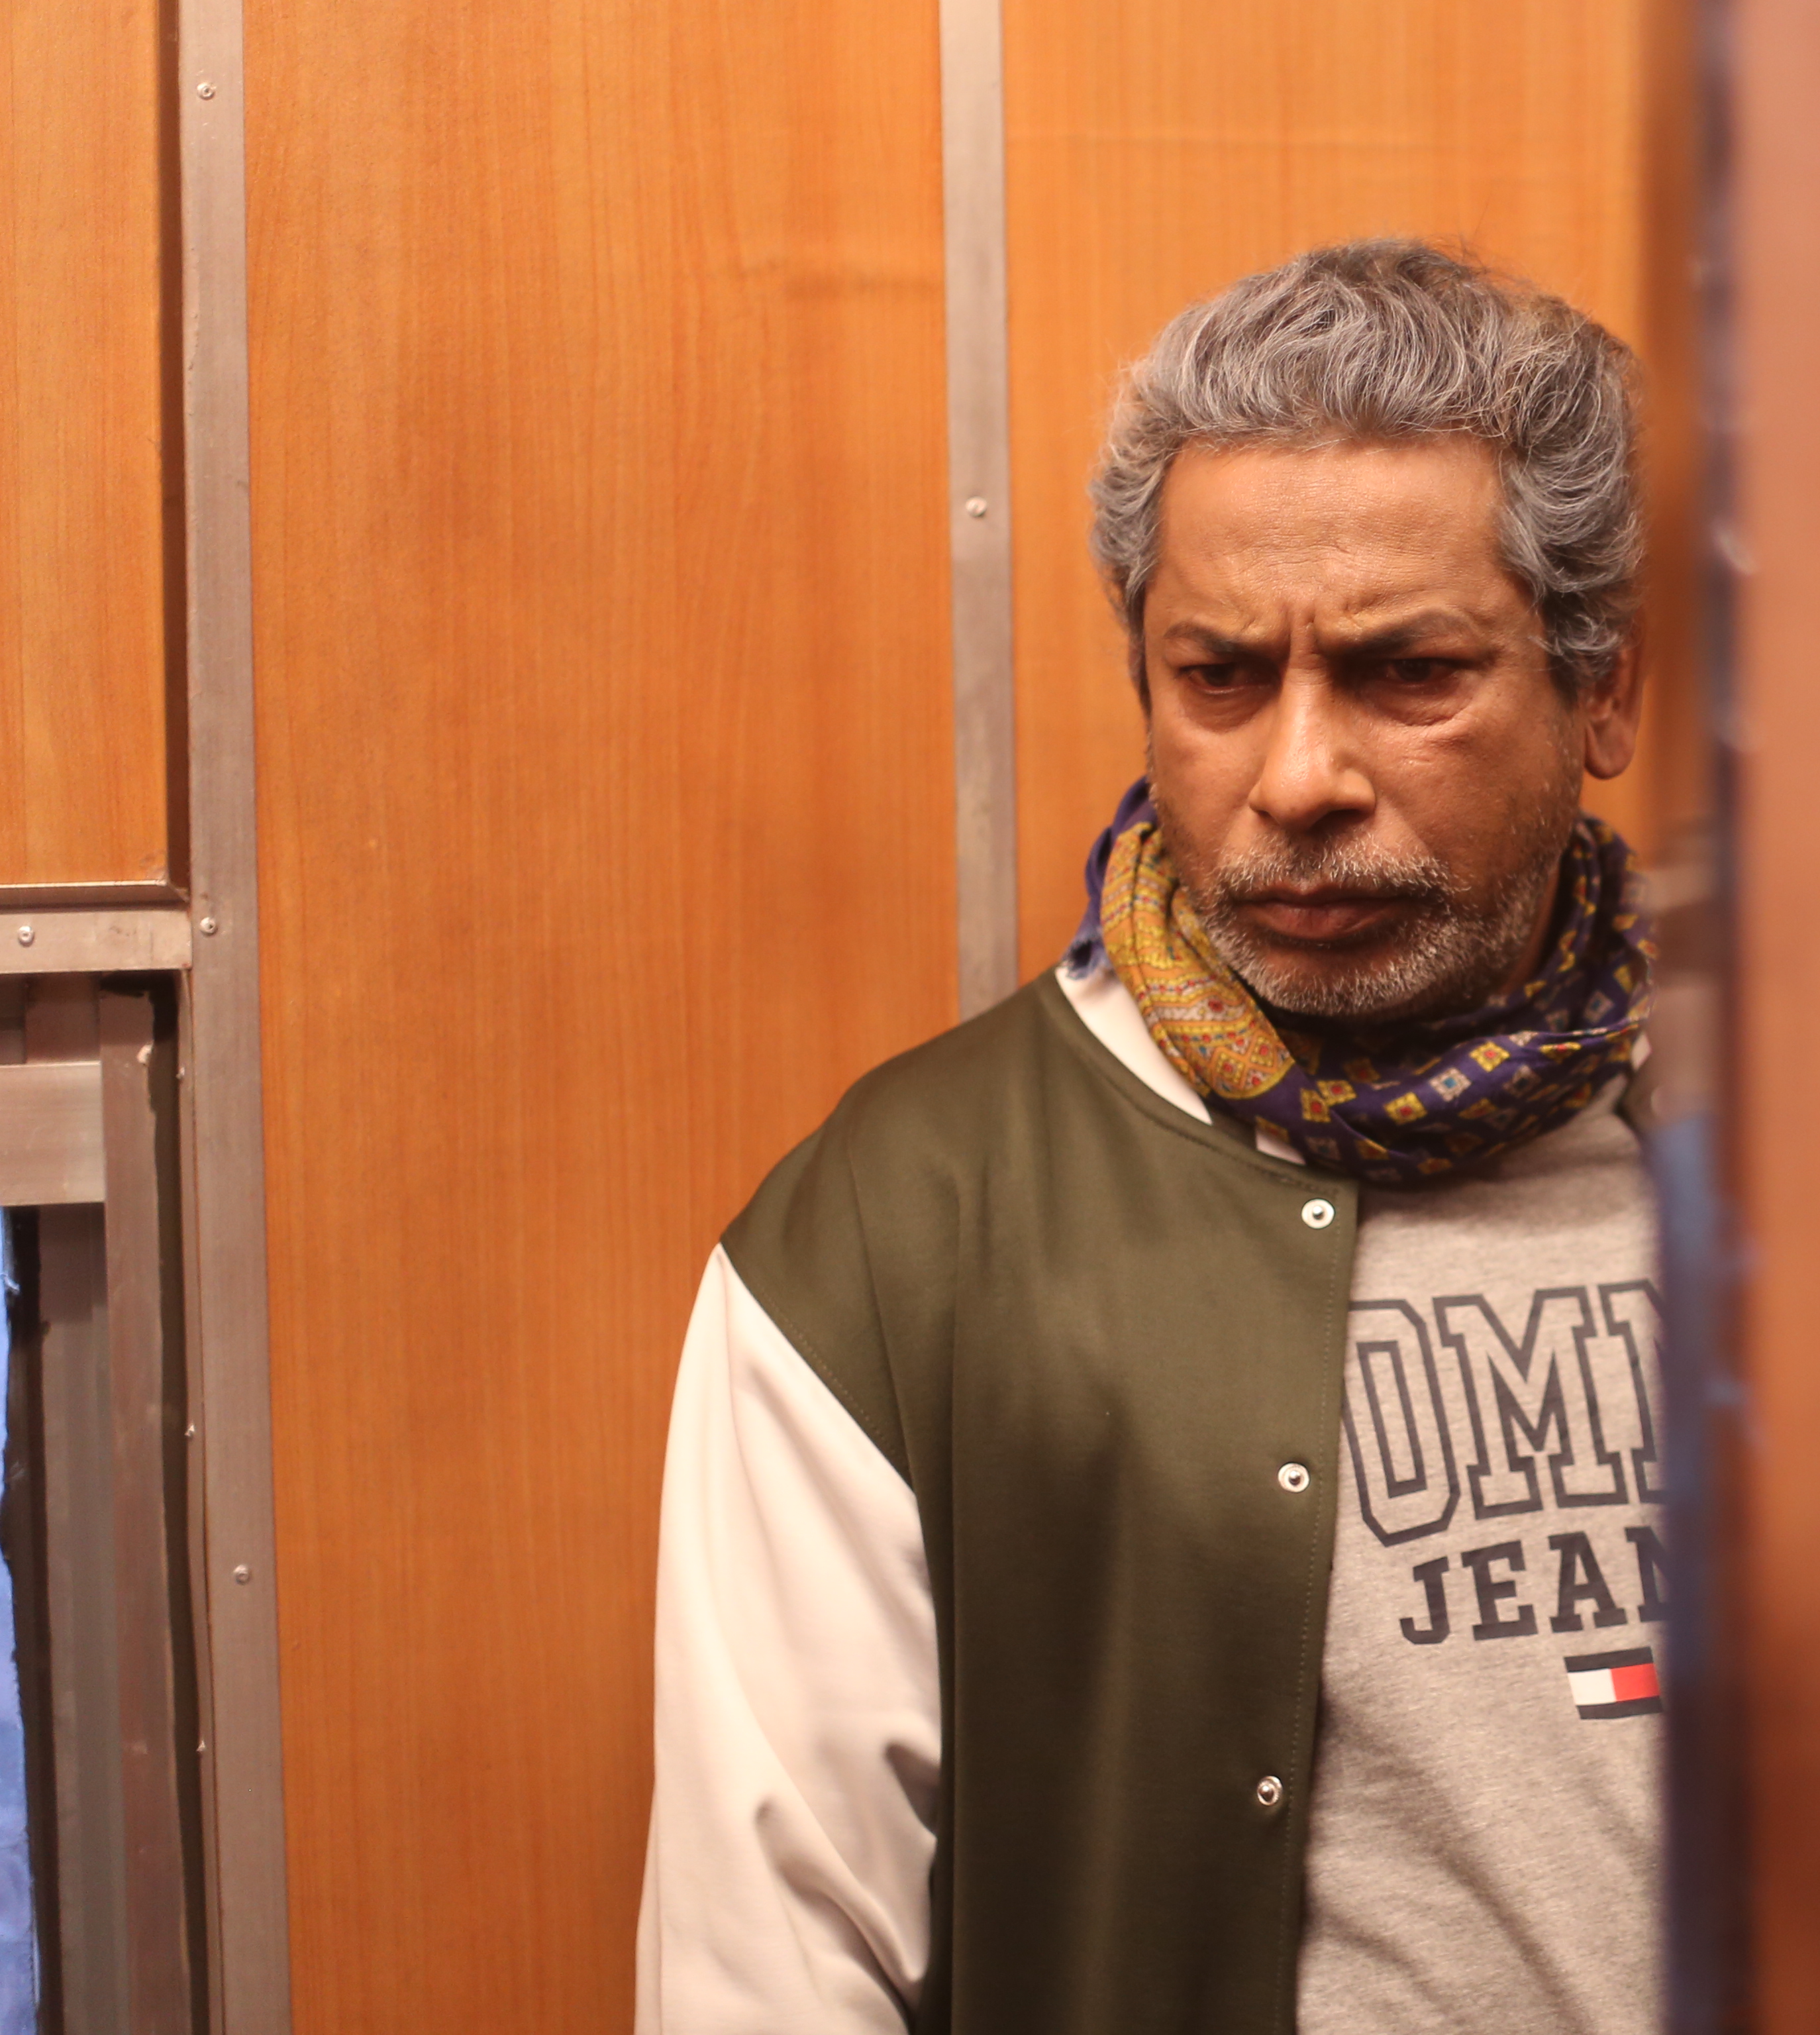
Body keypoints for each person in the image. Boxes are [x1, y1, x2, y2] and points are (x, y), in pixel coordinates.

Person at [636, 240, 1666, 2035]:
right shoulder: (908, 1232)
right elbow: (768, 1969)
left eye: (1409, 673)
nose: (1297, 778)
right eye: (1220, 678)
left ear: (1604, 695)